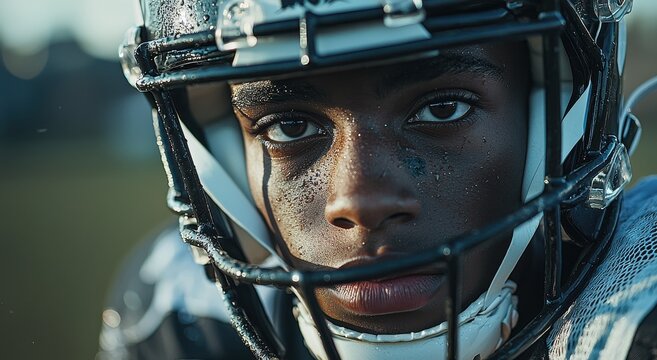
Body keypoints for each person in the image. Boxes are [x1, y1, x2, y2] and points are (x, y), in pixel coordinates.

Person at [98, 0, 657, 359]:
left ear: (557, 115)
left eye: (442, 110)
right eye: (290, 126)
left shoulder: (635, 313)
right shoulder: (187, 321)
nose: (360, 200)